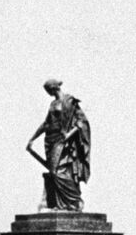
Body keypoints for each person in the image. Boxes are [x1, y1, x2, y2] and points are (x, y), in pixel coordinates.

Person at [26, 78, 91, 211]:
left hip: (63, 140)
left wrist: (69, 135)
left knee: (57, 172)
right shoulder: (52, 104)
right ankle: (60, 204)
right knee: (54, 172)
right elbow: (46, 124)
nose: (49, 93)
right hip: (50, 140)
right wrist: (32, 139)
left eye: (49, 90)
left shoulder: (69, 101)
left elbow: (81, 121)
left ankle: (74, 202)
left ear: (54, 88)